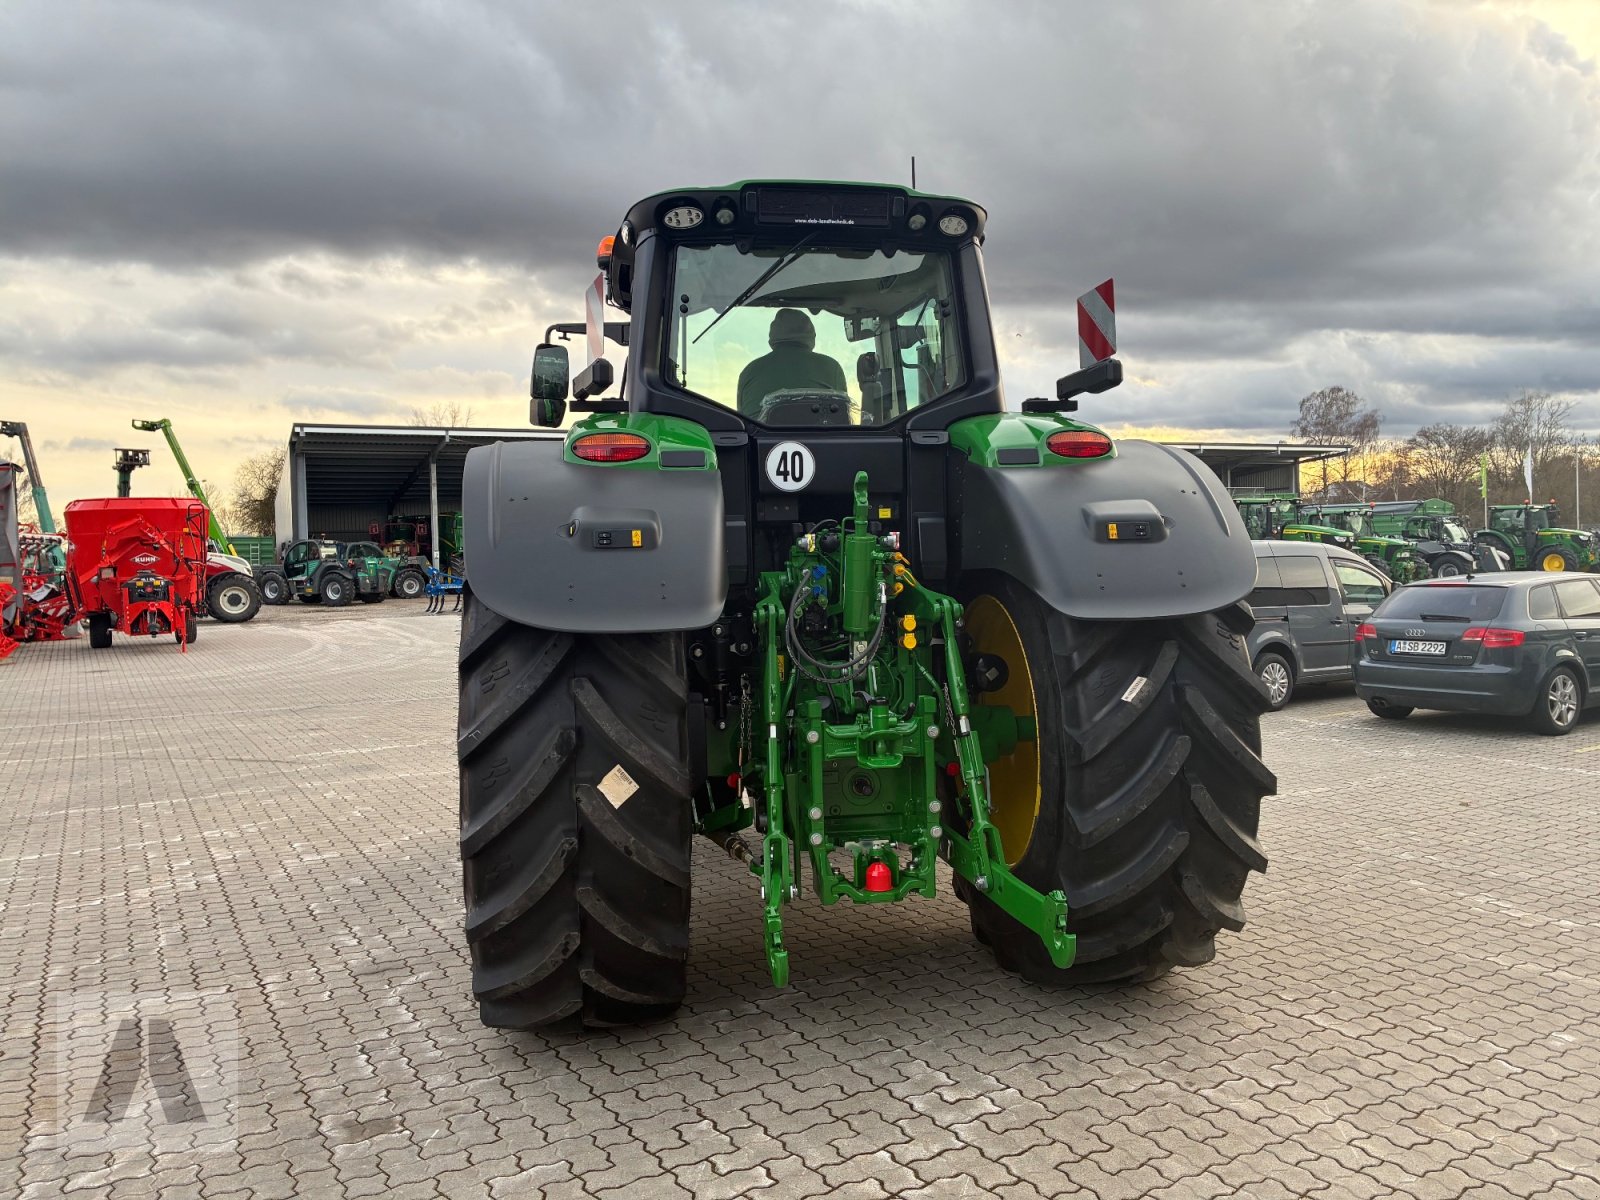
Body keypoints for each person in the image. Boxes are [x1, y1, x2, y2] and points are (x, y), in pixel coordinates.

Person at [737, 309, 848, 415]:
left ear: (773, 336)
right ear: (811, 336)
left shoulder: (750, 371)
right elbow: (843, 416)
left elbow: (742, 418)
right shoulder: (831, 367)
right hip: (817, 435)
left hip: (760, 435)